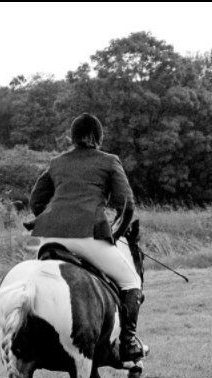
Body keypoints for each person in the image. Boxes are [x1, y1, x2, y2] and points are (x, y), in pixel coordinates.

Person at [28, 112, 147, 363]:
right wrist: (115, 232)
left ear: (73, 137)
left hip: (48, 236)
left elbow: (36, 201)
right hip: (86, 234)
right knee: (131, 281)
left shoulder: (57, 162)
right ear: (99, 137)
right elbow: (127, 203)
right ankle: (128, 342)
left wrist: (54, 219)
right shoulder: (109, 161)